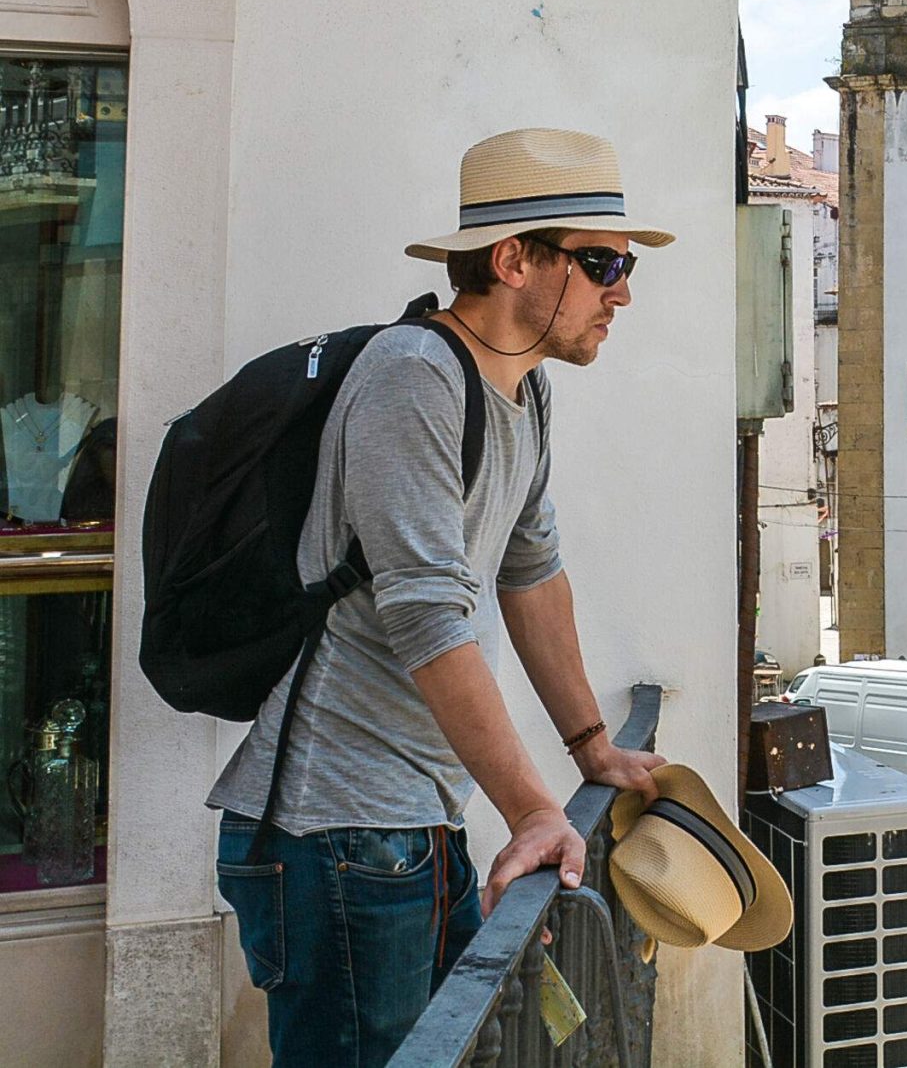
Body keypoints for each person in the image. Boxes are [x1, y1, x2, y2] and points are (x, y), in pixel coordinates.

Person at [206, 129, 671, 1068]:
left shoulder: (525, 392)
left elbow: (531, 571)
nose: (623, 290)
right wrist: (538, 811)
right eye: (602, 262)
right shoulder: (413, 376)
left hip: (414, 824)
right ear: (512, 260)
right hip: (335, 830)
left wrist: (588, 744)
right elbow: (426, 617)